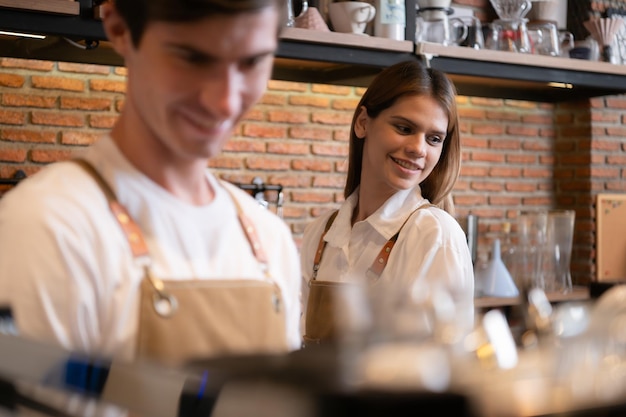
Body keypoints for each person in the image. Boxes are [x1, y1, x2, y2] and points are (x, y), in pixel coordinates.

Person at [0, 0, 302, 366]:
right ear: (120, 30)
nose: (223, 101)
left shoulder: (269, 238)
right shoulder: (48, 227)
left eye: (252, 62)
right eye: (191, 58)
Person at [300, 60, 474, 345]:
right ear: (363, 123)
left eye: (433, 138)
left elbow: (442, 364)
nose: (418, 148)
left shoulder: (435, 235)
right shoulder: (320, 233)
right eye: (404, 128)